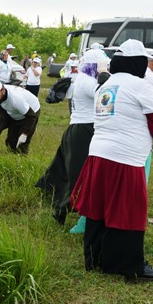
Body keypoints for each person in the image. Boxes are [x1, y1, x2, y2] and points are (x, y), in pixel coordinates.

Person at [70, 39, 153, 283]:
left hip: (98, 154)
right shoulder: (140, 85)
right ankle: (129, 267)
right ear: (139, 63)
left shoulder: (106, 83)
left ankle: (94, 259)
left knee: (98, 209)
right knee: (127, 210)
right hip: (126, 158)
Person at [36, 49, 110, 226]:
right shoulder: (87, 82)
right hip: (83, 130)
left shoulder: (84, 79)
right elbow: (105, 97)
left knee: (66, 169)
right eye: (102, 66)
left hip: (79, 129)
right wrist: (104, 75)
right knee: (80, 174)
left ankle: (56, 200)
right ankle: (63, 208)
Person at [0, 79, 40, 155]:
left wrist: (24, 133)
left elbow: (32, 116)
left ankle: (22, 162)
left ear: (3, 90)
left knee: (22, 144)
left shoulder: (15, 99)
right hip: (14, 113)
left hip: (31, 112)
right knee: (11, 141)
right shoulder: (0, 96)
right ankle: (12, 156)